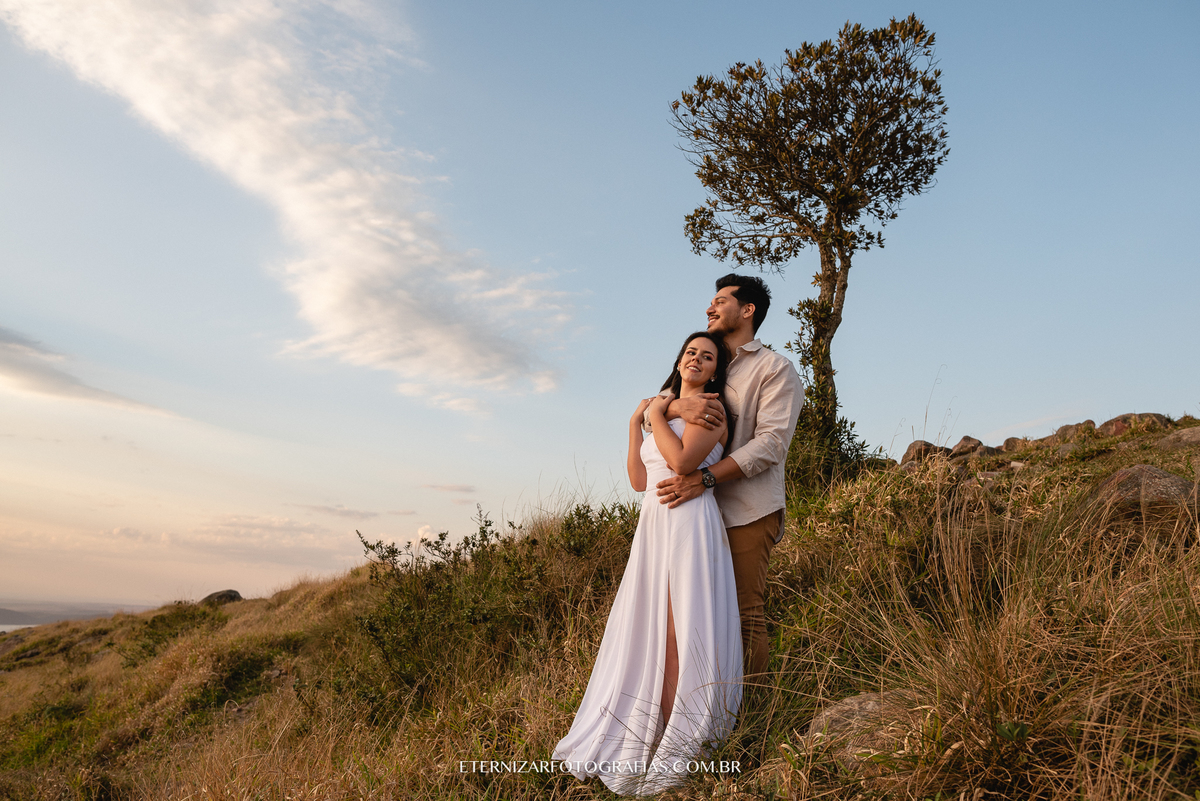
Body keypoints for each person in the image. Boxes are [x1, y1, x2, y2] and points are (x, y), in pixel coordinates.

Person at [553, 331, 743, 796]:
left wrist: (655, 411)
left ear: (716, 370)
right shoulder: (665, 408)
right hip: (653, 527)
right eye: (690, 352)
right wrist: (633, 423)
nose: (696, 359)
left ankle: (672, 740)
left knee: (681, 634)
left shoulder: (710, 410)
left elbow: (681, 463)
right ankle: (645, 732)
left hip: (689, 524)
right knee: (649, 631)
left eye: (707, 356)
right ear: (679, 361)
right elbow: (640, 480)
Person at [653, 274, 804, 679]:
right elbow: (656, 410)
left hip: (746, 510)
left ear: (747, 310)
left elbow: (771, 444)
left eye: (720, 301)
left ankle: (749, 721)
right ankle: (702, 708)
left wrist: (703, 479)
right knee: (691, 615)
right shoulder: (706, 361)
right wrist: (670, 410)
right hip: (694, 515)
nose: (709, 308)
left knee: (743, 614)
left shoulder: (775, 369)